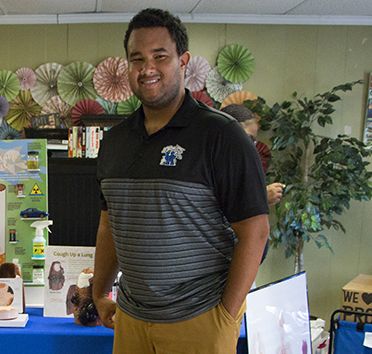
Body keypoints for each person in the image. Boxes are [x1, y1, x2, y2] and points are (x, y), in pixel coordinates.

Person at [91, 8, 270, 354]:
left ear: (183, 60)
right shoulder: (114, 142)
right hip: (131, 317)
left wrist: (226, 315)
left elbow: (256, 232)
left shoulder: (223, 136)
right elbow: (109, 224)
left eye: (160, 56)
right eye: (136, 58)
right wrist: (100, 292)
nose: (147, 69)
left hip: (200, 317)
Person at [221, 104, 284, 206]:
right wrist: (260, 199)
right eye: (249, 138)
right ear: (231, 131)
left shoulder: (238, 167)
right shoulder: (207, 166)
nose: (252, 147)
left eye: (253, 141)